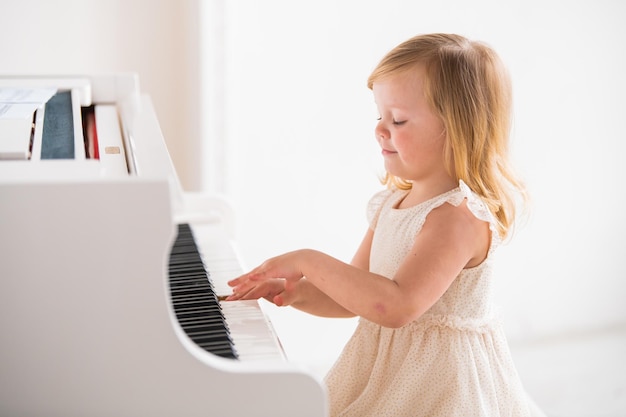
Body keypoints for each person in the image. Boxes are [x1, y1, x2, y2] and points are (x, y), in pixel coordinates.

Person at [227, 33, 545, 417]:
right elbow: (356, 294)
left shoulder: (457, 218)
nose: (380, 129)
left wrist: (309, 260)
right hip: (384, 373)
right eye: (380, 116)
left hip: (439, 387)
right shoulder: (392, 204)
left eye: (398, 120)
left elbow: (395, 306)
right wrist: (295, 292)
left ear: (457, 128)